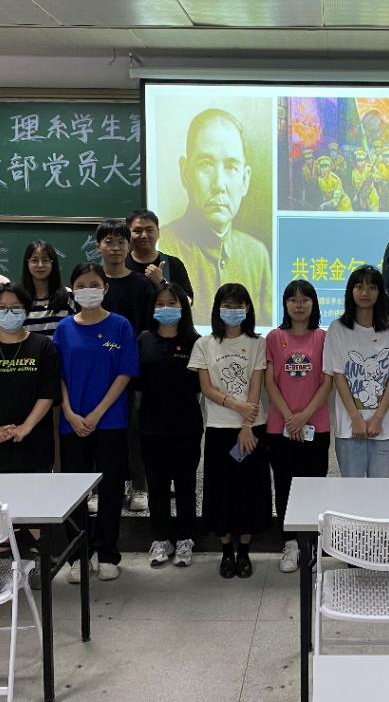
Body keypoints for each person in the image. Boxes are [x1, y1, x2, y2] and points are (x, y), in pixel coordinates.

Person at [53, 263, 139, 583]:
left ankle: (107, 553)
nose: (87, 290)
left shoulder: (120, 326)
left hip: (110, 421)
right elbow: (58, 377)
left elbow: (125, 373)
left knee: (111, 488)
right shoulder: (64, 328)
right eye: (81, 284)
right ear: (72, 290)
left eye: (94, 284)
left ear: (105, 288)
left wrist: (98, 412)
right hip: (72, 422)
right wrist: (70, 412)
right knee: (75, 491)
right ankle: (78, 555)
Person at [188, 284, 271, 579]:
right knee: (220, 490)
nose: (233, 310)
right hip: (219, 428)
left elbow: (257, 385)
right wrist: (237, 406)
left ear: (247, 308)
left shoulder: (258, 343)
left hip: (251, 429)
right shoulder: (204, 344)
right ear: (217, 309)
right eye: (227, 305)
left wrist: (247, 425)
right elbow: (206, 388)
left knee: (249, 491)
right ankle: (226, 551)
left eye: (238, 305)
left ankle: (244, 551)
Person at [160, 108, 272, 326]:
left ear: (245, 179)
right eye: (206, 164)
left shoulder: (256, 254)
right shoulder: (163, 246)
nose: (219, 184)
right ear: (185, 173)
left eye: (231, 166)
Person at [264, 280, 332, 573]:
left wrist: (304, 416)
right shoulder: (274, 337)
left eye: (305, 299)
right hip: (280, 427)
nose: (299, 305)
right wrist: (289, 416)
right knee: (284, 485)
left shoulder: (323, 338)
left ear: (314, 303)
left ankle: (312, 545)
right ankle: (290, 543)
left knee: (314, 486)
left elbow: (327, 382)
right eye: (293, 299)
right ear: (285, 304)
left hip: (316, 425)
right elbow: (269, 381)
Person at [137, 281, 203, 569]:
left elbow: (200, 387)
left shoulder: (195, 341)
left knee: (186, 485)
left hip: (186, 426)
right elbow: (136, 384)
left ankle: (186, 538)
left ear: (183, 307)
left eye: (172, 303)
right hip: (151, 426)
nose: (166, 308)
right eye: (160, 303)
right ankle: (161, 538)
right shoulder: (144, 340)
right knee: (158, 486)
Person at [323, 265, 389, 478]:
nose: (365, 293)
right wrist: (355, 418)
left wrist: (378, 418)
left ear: (380, 292)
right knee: (352, 489)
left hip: (384, 426)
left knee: (379, 490)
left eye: (372, 287)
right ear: (350, 291)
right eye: (359, 287)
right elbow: (338, 377)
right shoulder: (337, 328)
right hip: (349, 426)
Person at [0, 283, 60, 474]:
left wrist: (26, 427)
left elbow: (48, 392)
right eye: (2, 308)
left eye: (16, 307)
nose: (9, 312)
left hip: (35, 443)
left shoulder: (43, 346)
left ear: (26, 309)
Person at [97, 219, 156, 513]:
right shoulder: (93, 283)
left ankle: (139, 486)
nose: (115, 248)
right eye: (108, 242)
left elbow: (148, 330)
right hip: (99, 371)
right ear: (99, 246)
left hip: (134, 371)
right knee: (104, 432)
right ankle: (107, 486)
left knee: (135, 430)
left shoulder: (142, 285)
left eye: (121, 242)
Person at [125, 208, 194, 305]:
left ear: (158, 233)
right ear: (128, 234)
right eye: (138, 231)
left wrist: (161, 282)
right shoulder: (120, 265)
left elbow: (188, 302)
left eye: (149, 230)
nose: (144, 235)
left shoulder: (173, 264)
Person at [21, 240, 74, 336]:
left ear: (53, 263)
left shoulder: (68, 296)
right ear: (27, 263)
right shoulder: (19, 298)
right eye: (34, 260)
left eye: (45, 260)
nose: (40, 265)